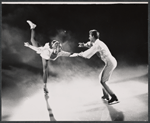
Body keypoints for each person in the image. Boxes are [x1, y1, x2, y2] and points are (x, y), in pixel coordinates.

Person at [70, 29, 119, 105]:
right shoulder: (96, 42)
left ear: (93, 36)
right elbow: (90, 44)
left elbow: (89, 52)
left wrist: (80, 54)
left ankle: (114, 97)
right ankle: (106, 95)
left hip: (110, 63)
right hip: (110, 62)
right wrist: (84, 45)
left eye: (89, 35)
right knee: (101, 78)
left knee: (102, 81)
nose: (89, 37)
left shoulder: (97, 44)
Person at [24, 20, 72, 94]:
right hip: (44, 53)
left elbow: (70, 54)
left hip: (45, 55)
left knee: (45, 70)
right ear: (53, 48)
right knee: (33, 40)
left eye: (58, 50)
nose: (58, 51)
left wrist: (80, 54)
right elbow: (37, 49)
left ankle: (45, 86)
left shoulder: (60, 52)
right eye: (56, 50)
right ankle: (33, 27)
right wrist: (29, 46)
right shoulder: (47, 51)